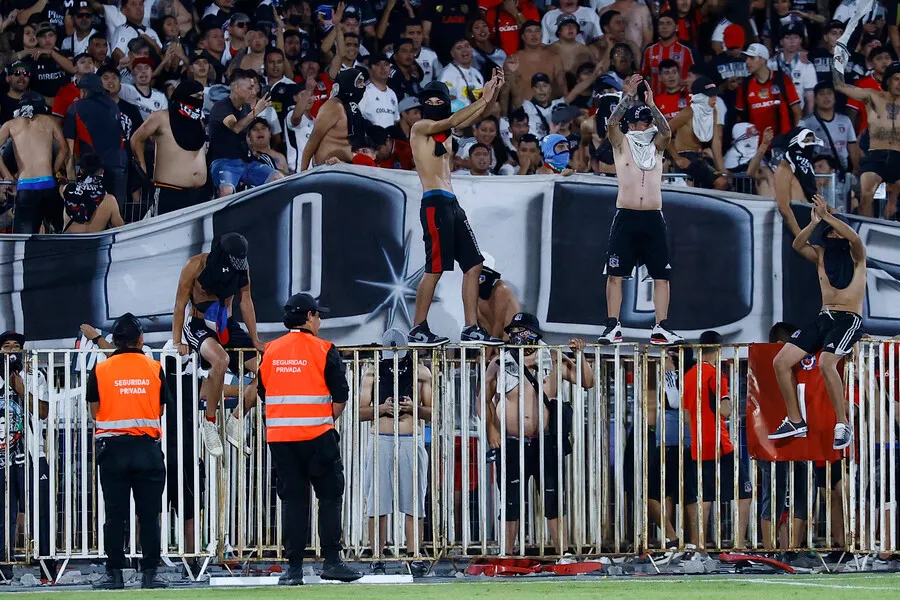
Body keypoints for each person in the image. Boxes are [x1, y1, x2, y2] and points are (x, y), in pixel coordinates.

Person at [258, 293, 362, 585]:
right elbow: (341, 394)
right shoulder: (324, 349)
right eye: (318, 315)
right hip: (318, 436)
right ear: (308, 317)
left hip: (281, 439)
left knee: (292, 501)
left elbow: (265, 392)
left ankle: (293, 571)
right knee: (330, 497)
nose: (320, 321)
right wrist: (325, 420)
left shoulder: (270, 351)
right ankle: (331, 562)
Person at [482, 312, 593, 558]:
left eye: (521, 330)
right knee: (511, 501)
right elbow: (483, 398)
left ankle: (562, 553)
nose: (515, 335)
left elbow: (587, 381)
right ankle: (507, 554)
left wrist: (580, 355)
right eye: (513, 331)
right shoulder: (499, 362)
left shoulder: (553, 358)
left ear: (533, 334)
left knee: (553, 500)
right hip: (510, 443)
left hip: (545, 442)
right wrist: (491, 429)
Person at [407, 74, 506, 347]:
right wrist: (483, 99)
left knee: (474, 264)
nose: (434, 104)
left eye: (440, 100)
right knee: (435, 268)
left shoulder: (446, 132)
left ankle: (471, 328)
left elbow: (476, 116)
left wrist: (492, 92)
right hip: (434, 202)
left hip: (451, 203)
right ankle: (418, 328)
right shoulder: (420, 126)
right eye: (430, 100)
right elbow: (452, 120)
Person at [769, 195, 866, 451]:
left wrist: (830, 217)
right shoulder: (822, 254)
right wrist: (814, 223)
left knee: (826, 362)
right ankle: (794, 419)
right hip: (824, 316)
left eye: (836, 231)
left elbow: (854, 238)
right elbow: (798, 245)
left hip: (848, 318)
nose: (833, 235)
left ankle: (842, 423)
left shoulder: (856, 254)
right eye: (830, 232)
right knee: (780, 362)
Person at [598, 75, 683, 346]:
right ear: (632, 124)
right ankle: (613, 325)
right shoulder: (621, 144)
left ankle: (661, 326)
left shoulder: (656, 147)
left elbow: (667, 133)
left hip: (653, 217)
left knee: (661, 273)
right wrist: (627, 96)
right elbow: (612, 124)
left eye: (650, 121)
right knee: (615, 273)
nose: (648, 124)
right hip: (626, 215)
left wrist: (653, 105)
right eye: (643, 120)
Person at [88, 313, 168, 590]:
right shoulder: (154, 367)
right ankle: (150, 574)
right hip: (147, 450)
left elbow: (94, 411)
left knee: (114, 515)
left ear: (115, 341)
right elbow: (159, 409)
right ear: (141, 340)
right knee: (148, 515)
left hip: (113, 452)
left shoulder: (100, 370)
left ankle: (115, 574)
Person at [172, 232, 265, 456]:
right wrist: (177, 341)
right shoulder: (194, 265)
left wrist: (254, 338)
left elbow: (246, 300)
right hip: (198, 324)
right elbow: (179, 305)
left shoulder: (242, 266)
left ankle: (236, 420)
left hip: (226, 324)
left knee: (268, 369)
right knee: (221, 360)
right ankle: (210, 423)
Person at [359, 328, 432, 577]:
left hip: (411, 438)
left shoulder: (422, 371)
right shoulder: (371, 371)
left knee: (414, 500)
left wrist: (415, 408)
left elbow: (433, 412)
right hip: (381, 437)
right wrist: (381, 408)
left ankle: (414, 556)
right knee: (378, 499)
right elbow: (360, 412)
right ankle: (377, 556)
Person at [682, 330, 751, 548]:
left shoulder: (689, 375)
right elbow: (725, 410)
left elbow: (685, 415)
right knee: (744, 492)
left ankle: (699, 546)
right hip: (720, 444)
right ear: (718, 349)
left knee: (704, 497)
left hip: (699, 445)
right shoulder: (715, 374)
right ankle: (739, 544)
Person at [0, 330, 52, 568]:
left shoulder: (35, 375)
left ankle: (45, 564)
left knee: (41, 511)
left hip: (32, 455)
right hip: (2, 458)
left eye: (15, 346)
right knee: (3, 516)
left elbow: (43, 411)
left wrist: (21, 388)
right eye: (6, 346)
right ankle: (4, 565)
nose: (11, 349)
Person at [833, 53, 900, 218]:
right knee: (866, 194)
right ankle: (864, 235)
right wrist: (838, 61)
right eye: (896, 79)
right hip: (875, 155)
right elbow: (839, 86)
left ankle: (892, 204)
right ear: (888, 81)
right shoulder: (872, 96)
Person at [130, 81, 208, 215]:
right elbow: (136, 139)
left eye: (201, 96)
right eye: (196, 96)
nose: (199, 99)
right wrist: (142, 169)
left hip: (198, 194)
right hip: (170, 192)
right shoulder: (161, 116)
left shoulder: (198, 121)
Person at [0, 92, 68, 234]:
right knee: (55, 234)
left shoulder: (11, 124)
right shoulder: (49, 121)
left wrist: (7, 176)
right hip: (48, 184)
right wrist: (54, 170)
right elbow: (64, 149)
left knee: (24, 238)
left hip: (26, 187)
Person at [208, 69, 281, 197]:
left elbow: (244, 134)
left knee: (277, 177)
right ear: (236, 88)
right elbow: (236, 127)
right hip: (224, 162)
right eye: (250, 88)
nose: (254, 92)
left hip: (245, 162)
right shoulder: (221, 107)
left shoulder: (245, 106)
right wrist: (256, 111)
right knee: (227, 191)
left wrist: (252, 149)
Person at [64, 73, 127, 213]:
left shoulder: (75, 108)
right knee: (115, 216)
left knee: (92, 218)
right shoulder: (114, 106)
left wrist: (71, 177)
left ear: (84, 91)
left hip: (92, 170)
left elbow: (69, 147)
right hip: (118, 167)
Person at [667, 76, 728, 190]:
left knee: (718, 184)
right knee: (721, 182)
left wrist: (721, 168)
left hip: (699, 158)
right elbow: (664, 132)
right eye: (710, 95)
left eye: (714, 94)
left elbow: (715, 140)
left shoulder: (713, 112)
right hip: (686, 158)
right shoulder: (688, 112)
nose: (714, 98)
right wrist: (677, 158)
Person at [301, 67, 368, 170]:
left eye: (363, 82)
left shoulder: (353, 109)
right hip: (327, 170)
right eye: (359, 82)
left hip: (347, 168)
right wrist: (303, 174)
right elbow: (312, 142)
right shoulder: (333, 106)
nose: (363, 86)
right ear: (349, 83)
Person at [799, 81, 860, 178]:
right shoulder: (805, 123)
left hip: (841, 172)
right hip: (817, 173)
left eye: (829, 93)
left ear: (835, 98)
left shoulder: (845, 121)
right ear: (815, 99)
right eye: (821, 94)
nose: (826, 97)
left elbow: (852, 147)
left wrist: (856, 169)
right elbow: (800, 151)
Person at [61, 152, 124, 232]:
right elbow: (119, 228)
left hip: (68, 243)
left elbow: (61, 187)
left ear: (81, 170)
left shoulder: (67, 190)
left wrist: (62, 180)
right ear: (102, 172)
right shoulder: (110, 200)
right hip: (95, 243)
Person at [476, 252, 522, 342]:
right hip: (494, 344)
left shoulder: (501, 289)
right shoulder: (475, 296)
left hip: (513, 343)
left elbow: (498, 323)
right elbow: (483, 325)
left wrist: (488, 354)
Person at [361, 54, 400, 128]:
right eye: (378, 64)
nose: (383, 68)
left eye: (386, 64)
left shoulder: (392, 93)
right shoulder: (363, 91)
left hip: (389, 138)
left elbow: (396, 120)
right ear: (369, 69)